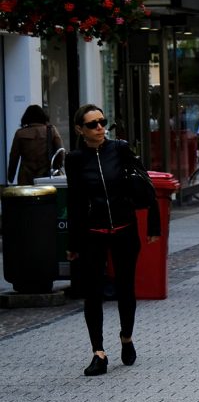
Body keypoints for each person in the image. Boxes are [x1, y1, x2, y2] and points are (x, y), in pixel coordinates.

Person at [65, 105, 159, 377]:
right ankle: (99, 352)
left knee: (125, 288)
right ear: (80, 130)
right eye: (92, 124)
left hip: (125, 229)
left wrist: (153, 224)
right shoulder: (75, 159)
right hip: (92, 234)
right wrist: (72, 243)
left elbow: (146, 183)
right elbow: (74, 202)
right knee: (92, 293)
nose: (100, 128)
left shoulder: (120, 149)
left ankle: (126, 337)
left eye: (102, 122)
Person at [7, 104, 63, 185]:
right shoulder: (51, 130)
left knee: (27, 197)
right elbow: (60, 153)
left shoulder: (20, 133)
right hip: (46, 176)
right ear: (43, 116)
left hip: (25, 177)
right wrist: (58, 166)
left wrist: (10, 177)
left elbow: (13, 157)